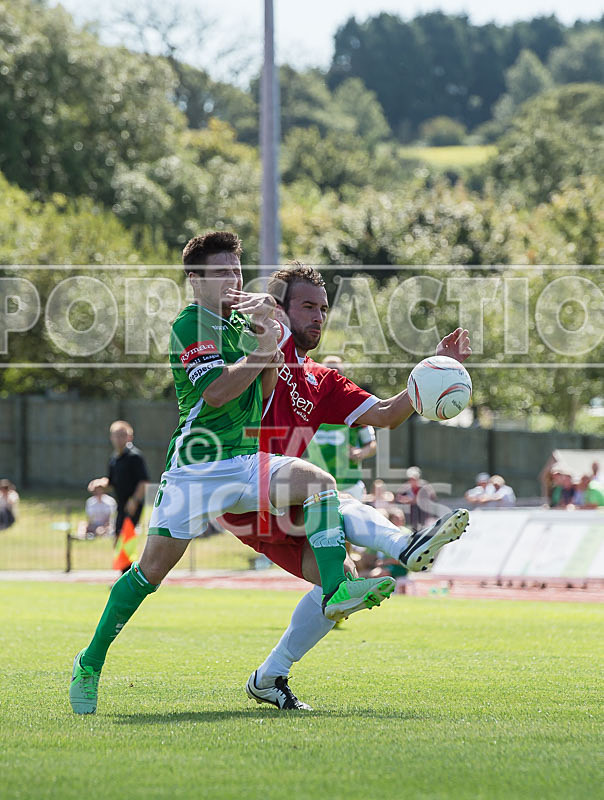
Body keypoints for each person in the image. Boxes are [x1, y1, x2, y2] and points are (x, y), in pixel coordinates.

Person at [69, 233, 396, 715]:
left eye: (238, 271)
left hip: (243, 460)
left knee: (319, 484)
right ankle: (90, 661)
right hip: (195, 468)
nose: (234, 280)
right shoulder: (190, 324)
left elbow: (262, 395)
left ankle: (338, 585)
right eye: (222, 272)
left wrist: (273, 331)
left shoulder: (246, 322)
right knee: (150, 573)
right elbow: (220, 391)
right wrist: (267, 346)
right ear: (195, 280)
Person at [219, 263, 471, 710]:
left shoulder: (323, 379)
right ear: (282, 308)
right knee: (329, 490)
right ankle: (402, 544)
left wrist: (432, 371)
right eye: (307, 306)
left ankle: (269, 676)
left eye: (323, 309)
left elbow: (389, 414)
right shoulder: (262, 345)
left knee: (339, 583)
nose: (318, 317)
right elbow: (242, 328)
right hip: (238, 483)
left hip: (284, 494)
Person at [304, 355, 376, 501]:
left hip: (349, 484)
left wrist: (360, 452)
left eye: (337, 371)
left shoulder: (354, 407)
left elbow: (372, 445)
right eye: (329, 370)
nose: (333, 374)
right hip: (317, 483)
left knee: (352, 523)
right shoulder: (308, 403)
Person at [88, 420, 150, 573]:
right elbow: (111, 481)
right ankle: (125, 574)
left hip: (132, 504)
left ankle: (128, 576)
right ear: (111, 437)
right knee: (118, 539)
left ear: (130, 437)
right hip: (121, 505)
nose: (119, 439)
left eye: (122, 435)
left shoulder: (135, 456)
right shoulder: (114, 458)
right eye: (116, 435)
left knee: (126, 538)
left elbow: (143, 482)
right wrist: (99, 483)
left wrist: (135, 500)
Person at [395, 467, 436, 531]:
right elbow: (399, 498)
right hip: (411, 519)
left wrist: (410, 500)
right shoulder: (405, 488)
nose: (413, 480)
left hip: (424, 518)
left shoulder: (425, 487)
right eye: (411, 479)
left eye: (415, 478)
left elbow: (426, 498)